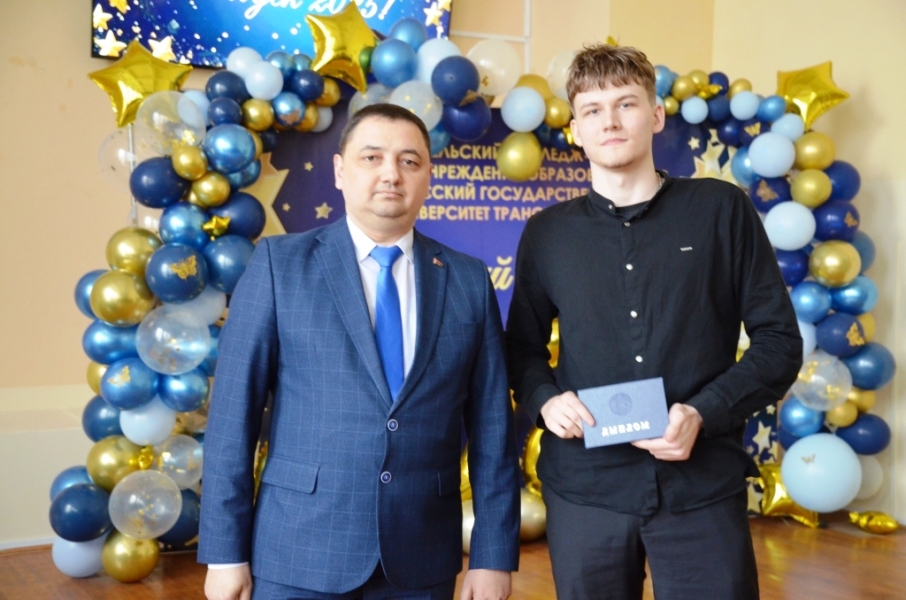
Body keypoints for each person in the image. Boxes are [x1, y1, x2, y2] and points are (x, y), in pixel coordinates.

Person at [506, 44, 802, 599]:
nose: (610, 121)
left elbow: (780, 343)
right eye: (592, 110)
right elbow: (520, 348)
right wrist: (545, 399)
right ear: (576, 129)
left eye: (626, 103)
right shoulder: (546, 233)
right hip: (585, 489)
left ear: (657, 114)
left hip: (702, 487)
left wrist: (703, 412)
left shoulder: (721, 209)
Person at [199, 103, 520, 600]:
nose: (391, 174)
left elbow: (493, 431)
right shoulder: (280, 266)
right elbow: (232, 417)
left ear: (428, 176)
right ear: (339, 171)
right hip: (298, 551)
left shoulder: (468, 279)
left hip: (421, 559)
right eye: (372, 157)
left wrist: (492, 556)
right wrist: (224, 553)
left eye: (409, 161)